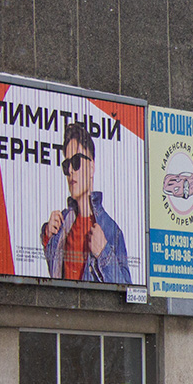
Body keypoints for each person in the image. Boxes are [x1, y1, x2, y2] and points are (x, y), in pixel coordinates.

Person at [40, 121, 131, 284]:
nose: (70, 172)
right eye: (66, 165)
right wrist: (47, 235)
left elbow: (127, 289)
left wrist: (103, 252)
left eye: (76, 162)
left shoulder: (110, 230)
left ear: (91, 166)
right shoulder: (63, 222)